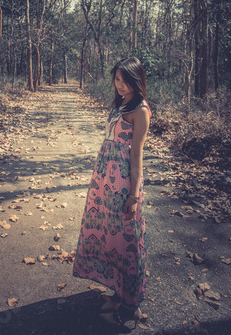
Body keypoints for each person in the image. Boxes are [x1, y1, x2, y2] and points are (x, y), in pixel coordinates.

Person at [72, 56, 151, 328]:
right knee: (111, 237)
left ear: (136, 80)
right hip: (105, 181)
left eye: (125, 80)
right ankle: (119, 294)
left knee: (128, 240)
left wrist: (133, 195)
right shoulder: (121, 104)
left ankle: (132, 306)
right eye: (117, 79)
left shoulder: (140, 111)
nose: (120, 85)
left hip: (122, 184)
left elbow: (136, 155)